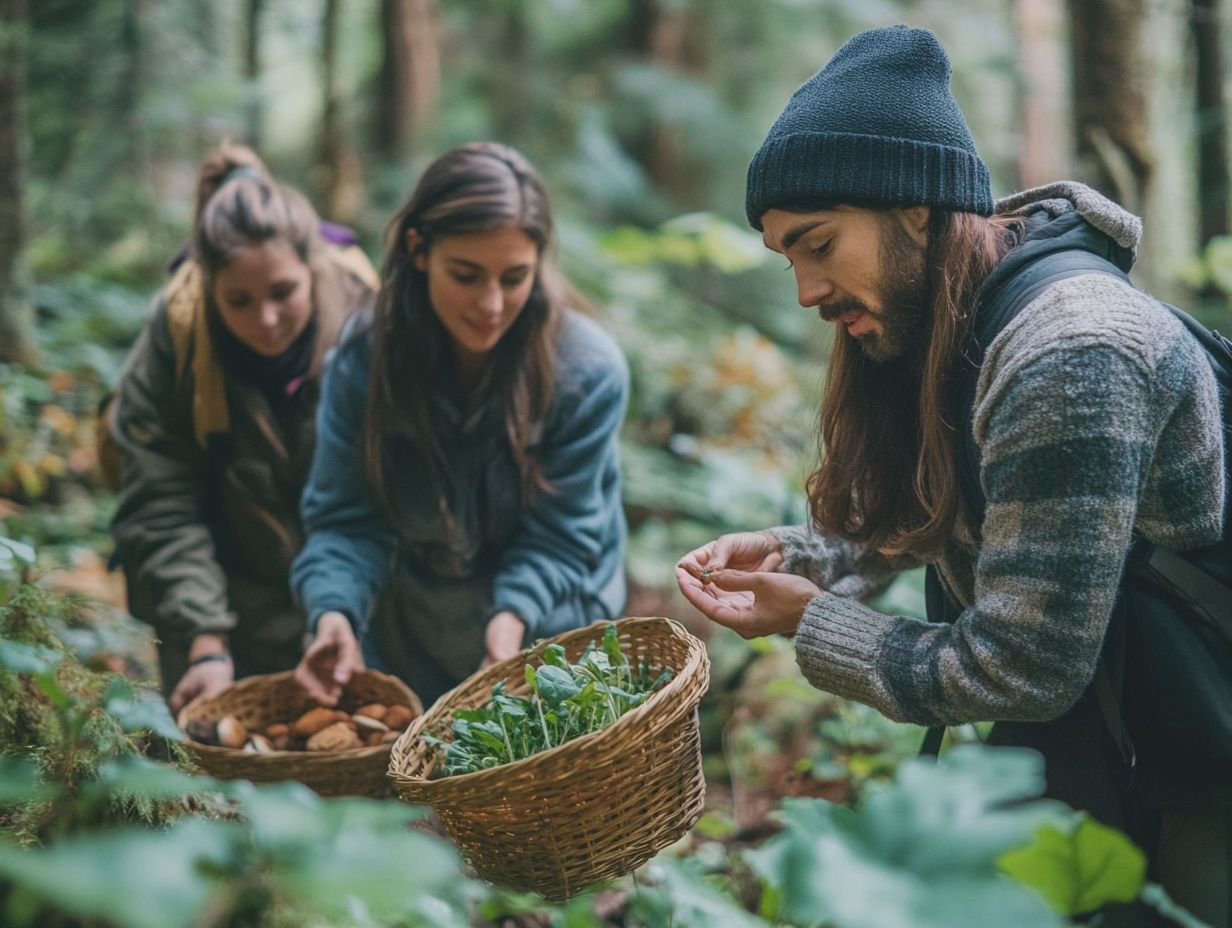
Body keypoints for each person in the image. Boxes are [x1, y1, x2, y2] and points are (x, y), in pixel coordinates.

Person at [676, 26, 1227, 927]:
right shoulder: (956, 310)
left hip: (1192, 753)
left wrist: (812, 624)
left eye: (819, 244)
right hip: (1117, 731)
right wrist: (803, 556)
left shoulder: (1072, 352)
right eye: (788, 257)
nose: (806, 291)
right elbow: (961, 511)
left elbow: (1021, 669)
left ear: (918, 209)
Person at [290, 141, 629, 708]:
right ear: (419, 250)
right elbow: (344, 522)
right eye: (466, 275)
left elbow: (562, 539)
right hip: (419, 618)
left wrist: (512, 618)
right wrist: (334, 611)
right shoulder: (362, 360)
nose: (492, 304)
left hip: (555, 617)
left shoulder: (587, 372)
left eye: (515, 277)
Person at [109, 142, 379, 713]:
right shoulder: (177, 337)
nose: (267, 320)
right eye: (240, 301)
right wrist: (205, 641)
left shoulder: (365, 318)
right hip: (221, 598)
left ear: (314, 265)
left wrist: (341, 608)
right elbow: (162, 505)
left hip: (356, 597)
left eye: (283, 293)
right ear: (209, 289)